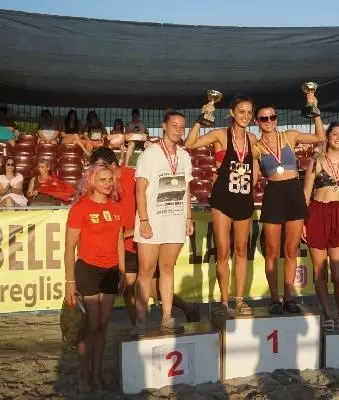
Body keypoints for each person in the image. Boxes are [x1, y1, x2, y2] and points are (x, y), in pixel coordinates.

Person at [89, 147, 200, 326]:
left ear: (113, 165)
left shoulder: (135, 177)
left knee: (147, 284)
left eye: (104, 171)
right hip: (124, 243)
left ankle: (178, 310)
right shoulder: (103, 185)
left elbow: (152, 208)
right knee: (132, 287)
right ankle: (139, 326)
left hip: (144, 237)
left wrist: (132, 231)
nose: (102, 177)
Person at [184, 95, 258, 316]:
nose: (245, 116)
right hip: (222, 200)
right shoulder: (220, 135)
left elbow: (255, 164)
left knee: (242, 250)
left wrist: (252, 181)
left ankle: (240, 299)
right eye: (241, 111)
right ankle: (224, 302)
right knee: (223, 251)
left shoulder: (252, 139)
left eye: (249, 112)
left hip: (244, 199)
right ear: (232, 113)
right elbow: (189, 144)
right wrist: (200, 120)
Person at [254, 93, 325, 315]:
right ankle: (274, 298)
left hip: (293, 190)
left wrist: (315, 111)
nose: (269, 121)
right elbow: (253, 174)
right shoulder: (256, 147)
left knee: (291, 250)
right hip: (273, 193)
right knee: (273, 251)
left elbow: (320, 137)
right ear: (257, 122)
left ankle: (288, 297)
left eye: (272, 117)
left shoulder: (290, 136)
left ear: (276, 118)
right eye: (263, 118)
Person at [63, 161, 125, 392]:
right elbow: (70, 247)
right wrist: (70, 282)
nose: (108, 184)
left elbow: (119, 239)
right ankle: (84, 376)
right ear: (91, 182)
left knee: (103, 325)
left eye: (110, 180)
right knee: (91, 325)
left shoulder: (116, 207)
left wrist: (120, 272)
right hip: (87, 269)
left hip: (110, 270)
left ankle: (97, 375)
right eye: (103, 180)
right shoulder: (80, 208)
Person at [133, 109, 194, 336]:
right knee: (146, 270)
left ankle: (167, 317)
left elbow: (186, 189)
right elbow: (140, 189)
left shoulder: (185, 156)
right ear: (164, 126)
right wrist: (144, 220)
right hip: (152, 219)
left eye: (182, 126)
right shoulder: (149, 154)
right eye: (175, 125)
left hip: (175, 219)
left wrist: (188, 218)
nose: (179, 129)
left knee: (168, 269)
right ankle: (140, 321)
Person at [302, 121, 339, 332]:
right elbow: (306, 194)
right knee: (319, 271)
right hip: (317, 213)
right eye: (335, 133)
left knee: (338, 272)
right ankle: (328, 314)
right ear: (328, 136)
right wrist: (303, 223)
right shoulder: (315, 162)